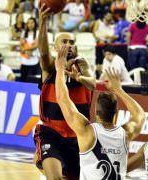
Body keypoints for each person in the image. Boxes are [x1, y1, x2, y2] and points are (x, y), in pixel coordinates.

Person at [55, 46, 145, 178]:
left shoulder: (86, 131)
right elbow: (140, 115)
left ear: (96, 111)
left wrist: (60, 70)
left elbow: (62, 99)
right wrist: (119, 90)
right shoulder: (126, 133)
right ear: (116, 112)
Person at [33, 3, 96, 179]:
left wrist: (80, 79)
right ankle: (44, 158)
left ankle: (40, 160)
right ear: (56, 47)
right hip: (51, 132)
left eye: (72, 42)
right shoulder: (49, 67)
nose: (69, 45)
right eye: (64, 42)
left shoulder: (82, 65)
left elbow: (93, 84)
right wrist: (43, 22)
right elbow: (43, 53)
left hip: (78, 136)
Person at [19, 17, 40, 82]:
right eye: (28, 23)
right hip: (24, 59)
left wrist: (25, 49)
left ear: (35, 24)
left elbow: (36, 45)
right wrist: (25, 50)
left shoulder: (38, 32)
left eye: (32, 23)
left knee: (32, 80)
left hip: (34, 59)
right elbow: (21, 44)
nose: (30, 24)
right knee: (23, 79)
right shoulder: (23, 32)